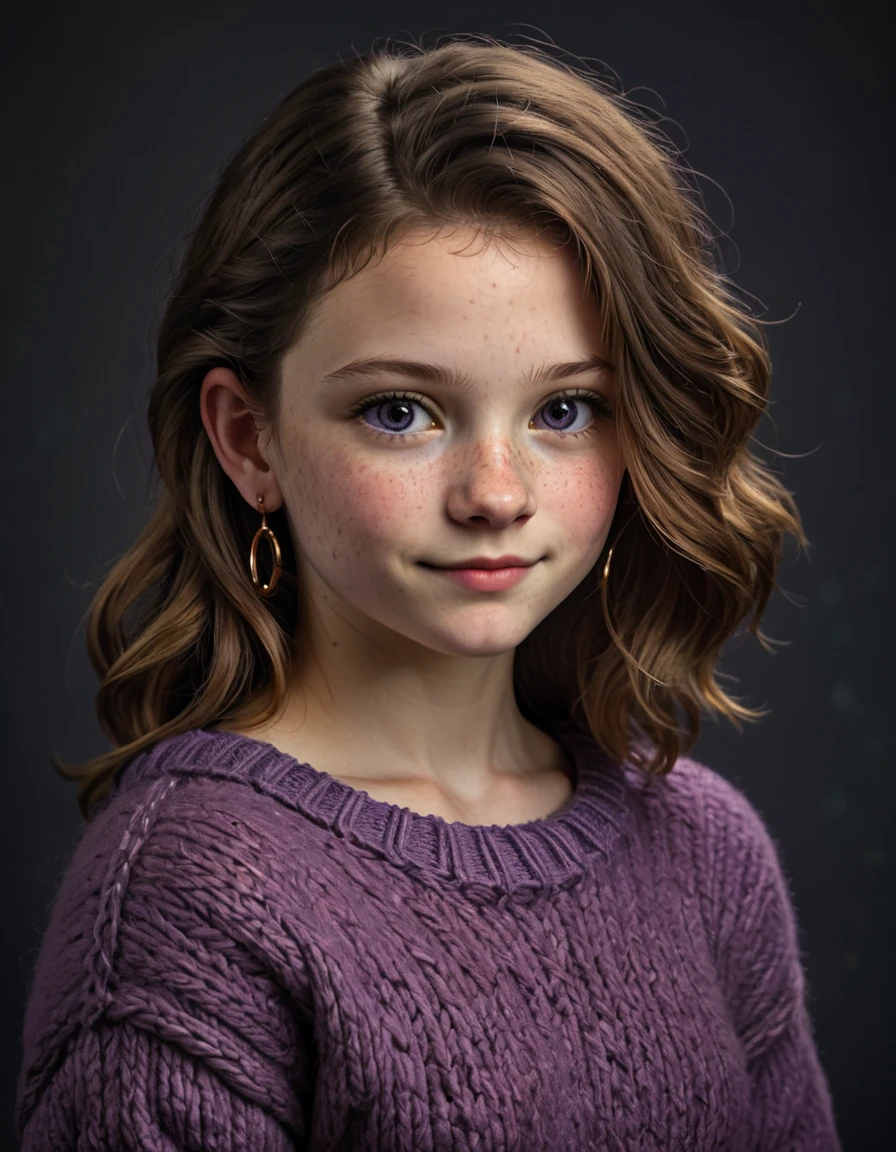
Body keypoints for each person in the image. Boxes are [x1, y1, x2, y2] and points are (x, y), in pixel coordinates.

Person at [15, 33, 842, 1150]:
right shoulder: (191, 895)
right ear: (248, 439)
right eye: (400, 411)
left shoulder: (703, 851)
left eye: (565, 411)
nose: (495, 494)